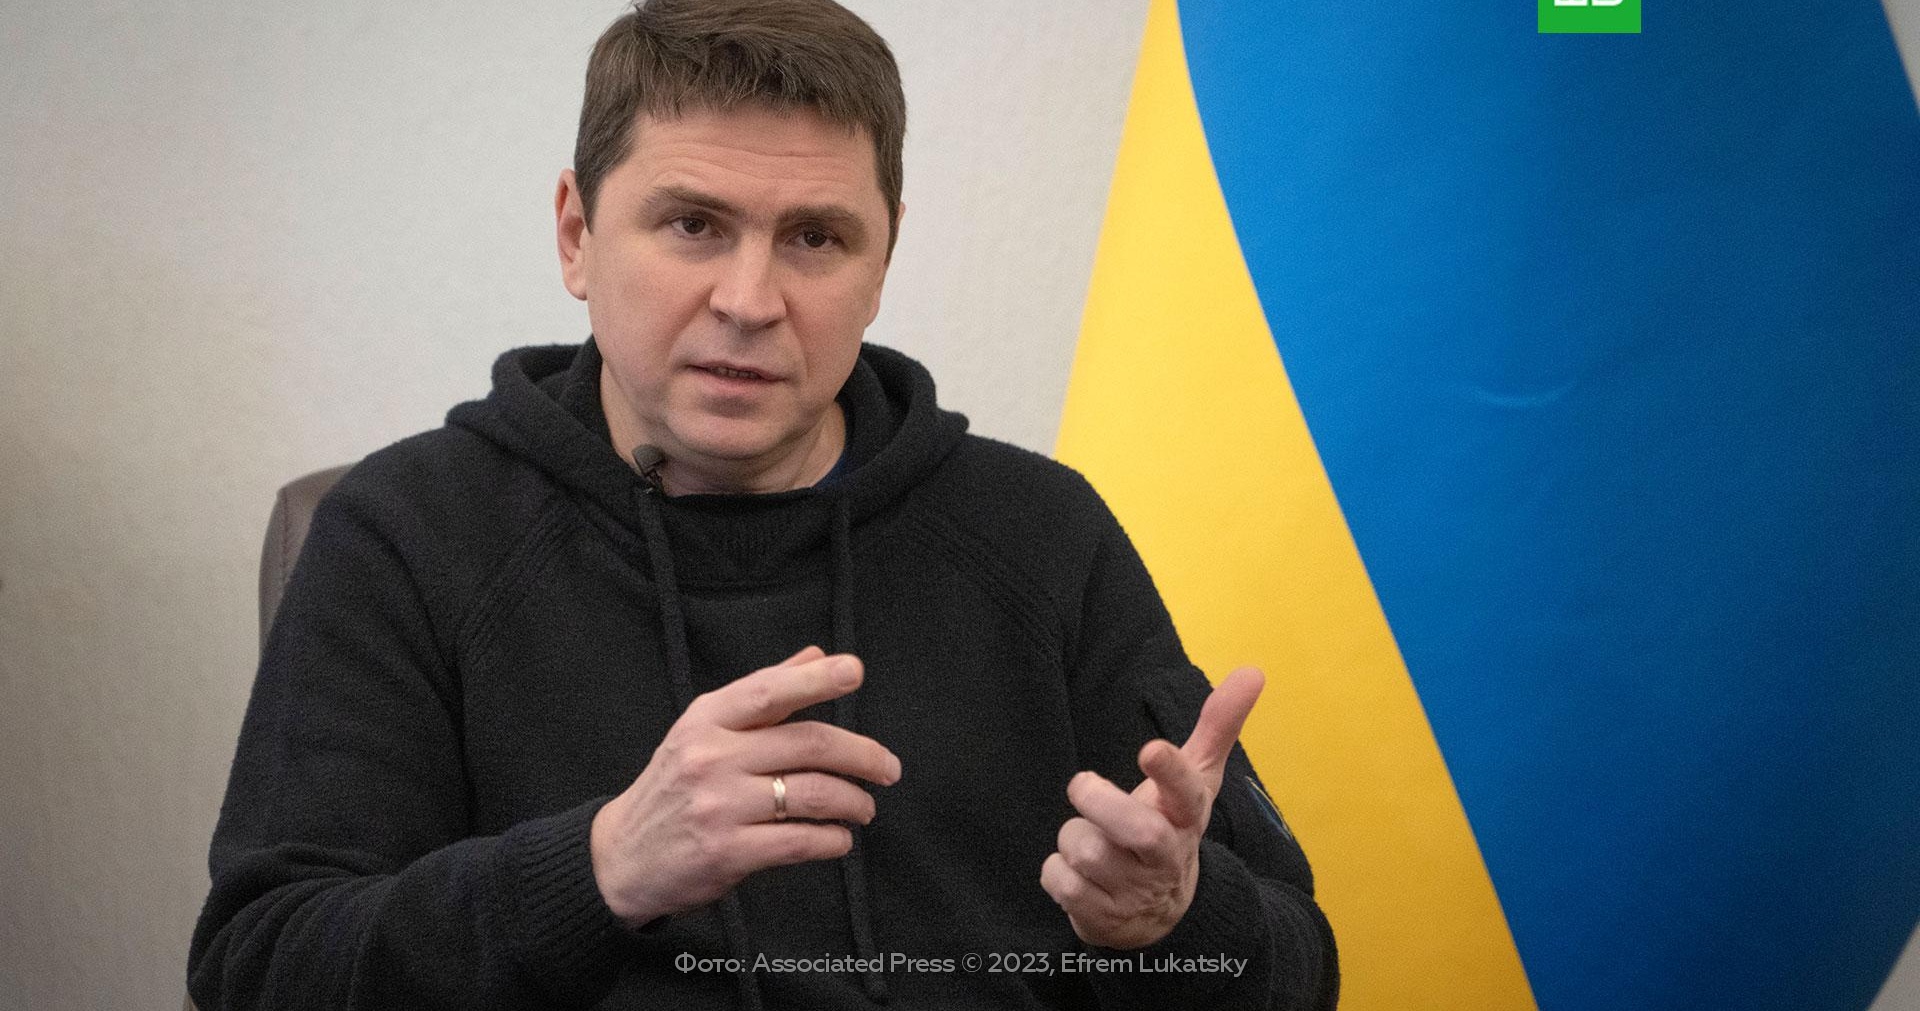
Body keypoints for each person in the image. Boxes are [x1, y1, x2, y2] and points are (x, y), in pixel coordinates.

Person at [187, 1, 1338, 1008]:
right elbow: (261, 968)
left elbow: (1303, 969)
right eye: (693, 224)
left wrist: (1176, 925)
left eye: (815, 238)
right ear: (577, 235)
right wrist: (598, 868)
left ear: (882, 262)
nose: (749, 300)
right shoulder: (409, 532)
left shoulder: (1042, 535)